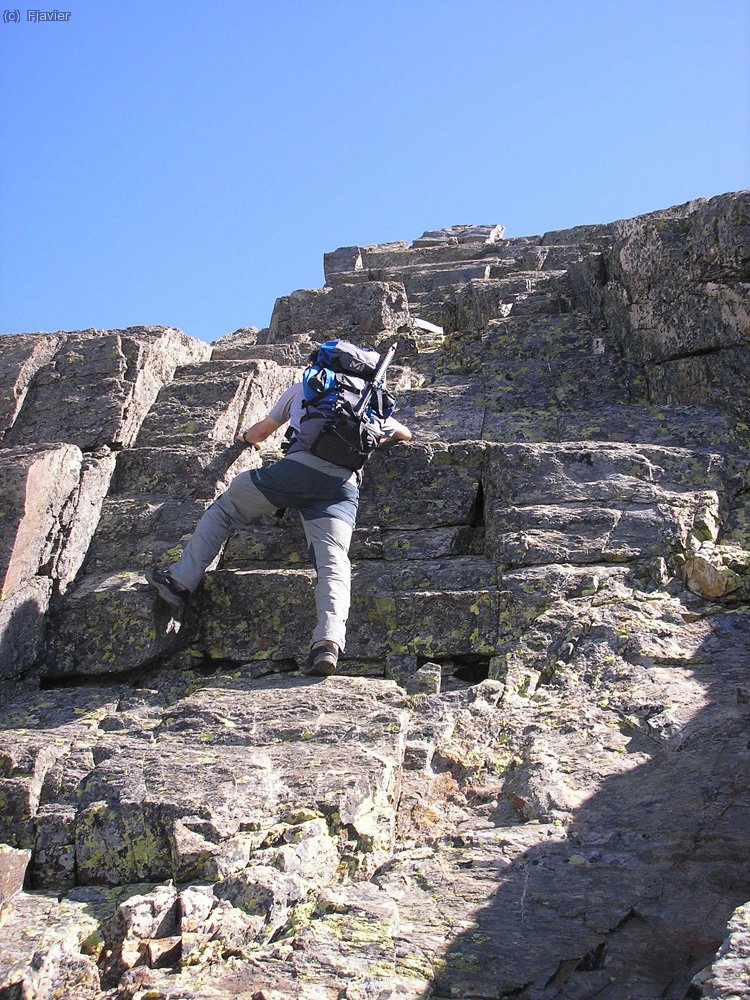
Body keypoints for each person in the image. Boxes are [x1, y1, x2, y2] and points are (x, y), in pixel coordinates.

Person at [146, 363, 412, 676]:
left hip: (292, 472)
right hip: (340, 488)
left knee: (225, 508)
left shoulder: (308, 388)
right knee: (333, 561)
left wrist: (246, 438)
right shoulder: (367, 400)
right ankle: (328, 642)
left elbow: (262, 431)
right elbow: (404, 434)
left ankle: (180, 581)